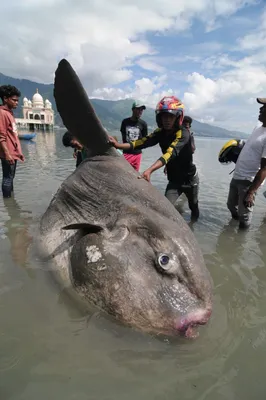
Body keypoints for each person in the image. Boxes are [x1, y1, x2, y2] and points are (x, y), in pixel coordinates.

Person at [109, 96, 200, 221]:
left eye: (170, 116)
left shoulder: (183, 133)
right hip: (174, 180)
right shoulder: (160, 132)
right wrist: (117, 145)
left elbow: (169, 153)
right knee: (165, 210)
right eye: (164, 116)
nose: (167, 120)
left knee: (193, 207)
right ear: (159, 118)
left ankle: (193, 229)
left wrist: (150, 170)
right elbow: (141, 142)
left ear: (178, 117)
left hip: (190, 179)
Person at [226, 98, 266, 229]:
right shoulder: (258, 127)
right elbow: (249, 148)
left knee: (245, 215)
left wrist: (251, 192)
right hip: (237, 175)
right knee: (231, 205)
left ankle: (241, 241)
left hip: (248, 180)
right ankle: (232, 230)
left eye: (264, 107)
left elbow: (264, 169)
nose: (260, 109)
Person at [0, 85, 24, 198]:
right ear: (5, 98)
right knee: (8, 178)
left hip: (13, 153)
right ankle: (8, 203)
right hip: (8, 154)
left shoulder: (9, 113)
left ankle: (11, 202)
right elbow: (2, 136)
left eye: (17, 100)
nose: (16, 103)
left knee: (10, 178)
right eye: (14, 100)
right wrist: (7, 154)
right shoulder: (3, 113)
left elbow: (12, 135)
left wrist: (18, 152)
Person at [120, 101, 148, 171]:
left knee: (135, 175)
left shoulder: (143, 124)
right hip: (126, 153)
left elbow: (144, 139)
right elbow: (123, 135)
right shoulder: (125, 122)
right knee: (124, 172)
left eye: (142, 110)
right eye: (138, 109)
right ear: (133, 109)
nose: (140, 111)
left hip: (138, 154)